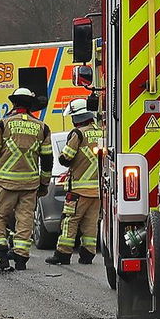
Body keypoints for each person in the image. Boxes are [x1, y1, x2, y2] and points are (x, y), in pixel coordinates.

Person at [0, 87, 52, 271]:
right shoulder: (42, 127)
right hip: (30, 185)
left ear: (14, 103)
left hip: (5, 184)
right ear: (31, 106)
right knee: (25, 220)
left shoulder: (4, 124)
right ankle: (21, 258)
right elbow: (47, 160)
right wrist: (43, 184)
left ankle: (0, 256)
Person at [47, 97, 101, 265]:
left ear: (77, 117)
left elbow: (66, 158)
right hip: (98, 190)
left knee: (70, 221)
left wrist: (63, 156)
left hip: (79, 190)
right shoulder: (102, 132)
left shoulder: (77, 134)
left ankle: (63, 254)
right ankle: (87, 254)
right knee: (91, 224)